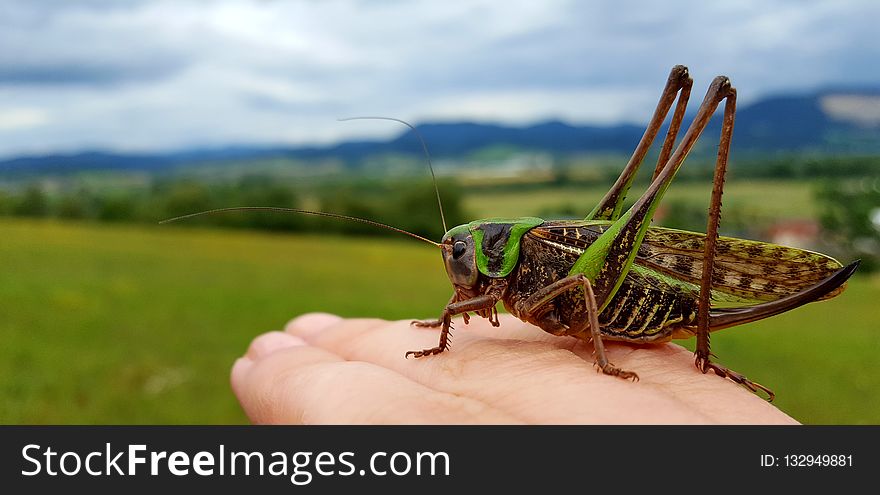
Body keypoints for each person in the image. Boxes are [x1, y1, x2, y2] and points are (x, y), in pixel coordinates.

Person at [231, 312, 796, 424]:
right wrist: (444, 327)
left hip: (615, 299)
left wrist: (601, 362)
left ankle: (706, 356)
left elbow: (575, 283)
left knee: (577, 277)